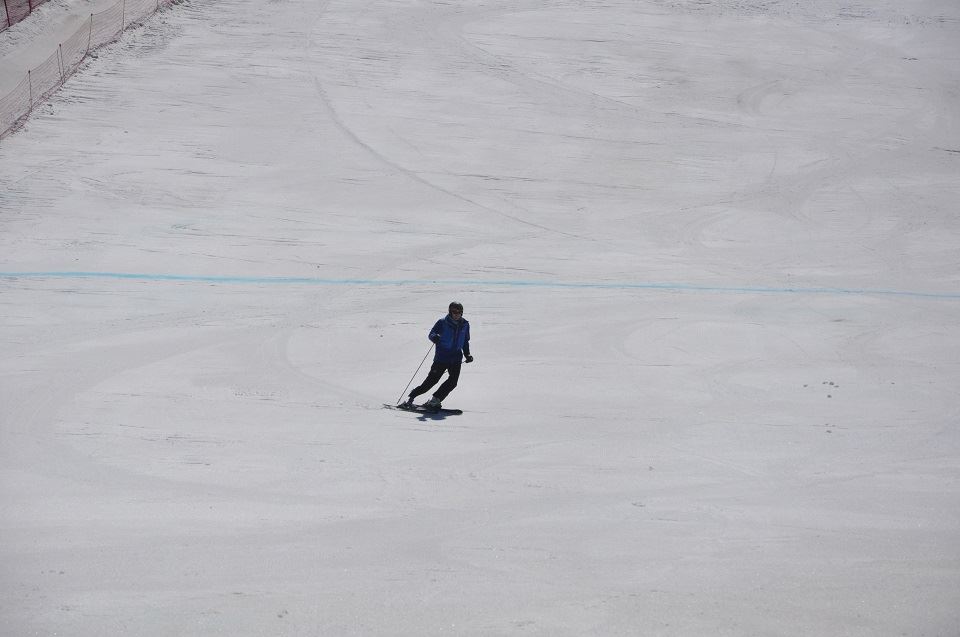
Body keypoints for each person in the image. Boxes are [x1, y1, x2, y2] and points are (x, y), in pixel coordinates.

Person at [401, 302, 473, 411]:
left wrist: (467, 354)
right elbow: (431, 334)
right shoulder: (442, 322)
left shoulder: (465, 325)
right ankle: (411, 398)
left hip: (456, 358)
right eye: (454, 312)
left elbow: (465, 341)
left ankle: (435, 400)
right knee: (431, 382)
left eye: (459, 312)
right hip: (442, 358)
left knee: (453, 382)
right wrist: (435, 337)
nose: (457, 314)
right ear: (450, 312)